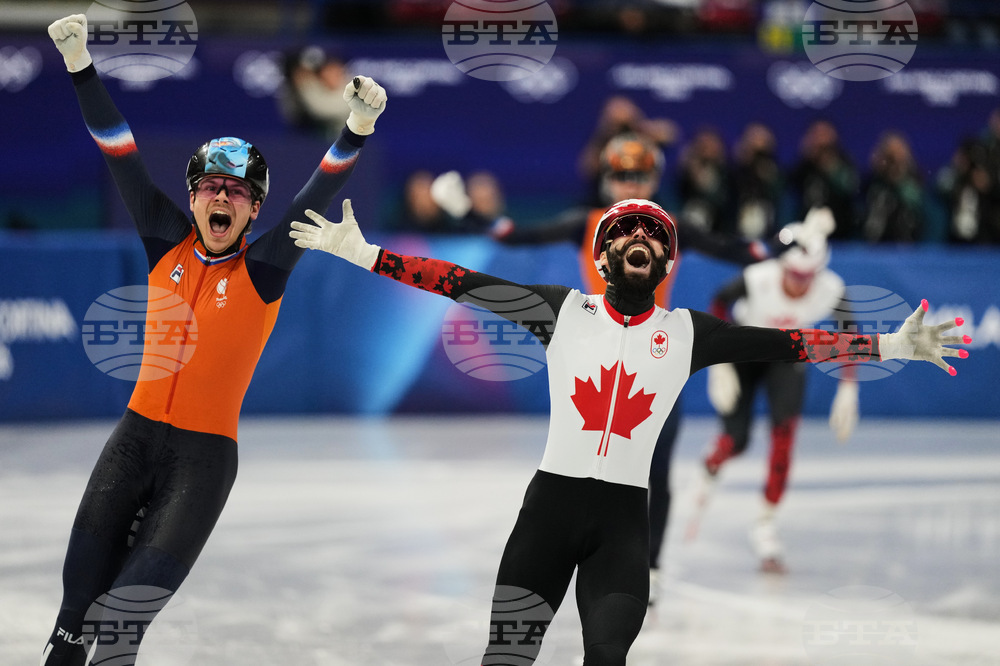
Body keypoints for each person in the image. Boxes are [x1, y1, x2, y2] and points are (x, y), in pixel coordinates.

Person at [290, 196, 968, 665]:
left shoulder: (689, 333)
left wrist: (890, 346)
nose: (640, 238)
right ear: (602, 256)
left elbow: (792, 344)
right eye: (625, 232)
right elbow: (458, 282)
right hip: (547, 516)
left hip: (622, 531)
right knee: (506, 657)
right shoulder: (560, 311)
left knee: (608, 658)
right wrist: (366, 254)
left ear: (667, 264)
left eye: (654, 235)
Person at [42, 15, 386, 665]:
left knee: (120, 627)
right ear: (193, 198)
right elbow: (119, 149)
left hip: (199, 466)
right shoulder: (164, 241)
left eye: (236, 191)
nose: (220, 199)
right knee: (72, 620)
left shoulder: (265, 268)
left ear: (253, 209)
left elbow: (316, 191)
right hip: (131, 444)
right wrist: (79, 62)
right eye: (210, 188)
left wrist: (357, 129)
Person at [482, 131, 800, 604]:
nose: (630, 184)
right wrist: (470, 213)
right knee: (575, 469)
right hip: (592, 358)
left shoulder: (671, 227)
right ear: (607, 179)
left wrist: (785, 243)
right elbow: (512, 235)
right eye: (622, 175)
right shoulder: (587, 222)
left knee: (657, 471)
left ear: (654, 178)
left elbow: (741, 252)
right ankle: (577, 555)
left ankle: (649, 565)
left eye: (640, 175)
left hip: (654, 360)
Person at [692, 210, 860, 573]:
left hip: (787, 355)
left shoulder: (832, 288)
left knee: (784, 438)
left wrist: (849, 385)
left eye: (807, 278)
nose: (800, 286)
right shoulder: (759, 276)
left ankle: (766, 525)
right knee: (737, 440)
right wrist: (717, 360)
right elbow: (718, 301)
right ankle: (713, 459)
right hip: (744, 349)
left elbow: (851, 334)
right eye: (794, 275)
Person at [789, 119, 860, 240]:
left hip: (842, 238)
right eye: (816, 134)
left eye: (824, 135)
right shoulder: (803, 168)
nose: (820, 140)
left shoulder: (845, 164)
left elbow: (850, 189)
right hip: (806, 237)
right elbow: (789, 191)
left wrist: (830, 166)